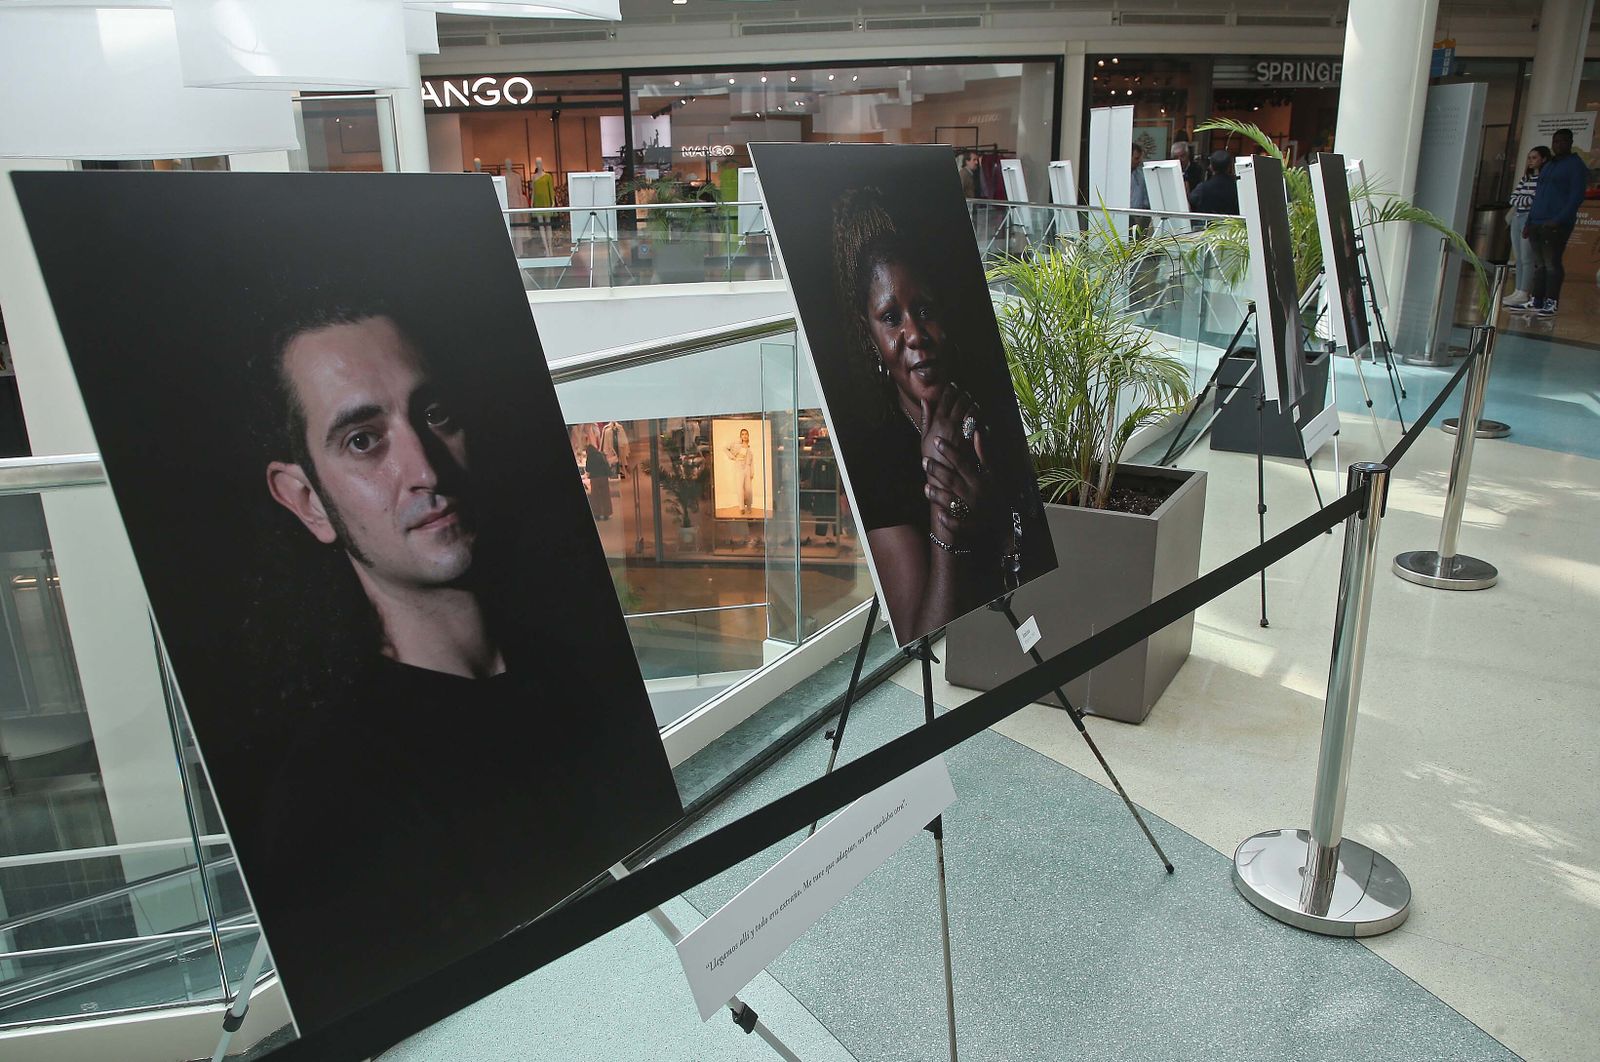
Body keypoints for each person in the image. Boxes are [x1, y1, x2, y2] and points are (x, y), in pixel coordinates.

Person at [250, 301, 667, 1030]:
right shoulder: (328, 803)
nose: (424, 468)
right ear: (308, 501)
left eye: (435, 414)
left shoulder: (583, 673)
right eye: (363, 440)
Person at [832, 189, 1023, 642]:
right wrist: (947, 513)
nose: (915, 334)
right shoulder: (876, 463)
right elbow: (923, 633)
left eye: (923, 310)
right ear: (870, 335)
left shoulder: (995, 413)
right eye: (891, 317)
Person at [1516, 128, 1589, 317]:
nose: (1558, 145)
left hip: (1555, 224)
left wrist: (1558, 220)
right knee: (1539, 264)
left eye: (1563, 141)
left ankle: (1551, 301)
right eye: (1555, 141)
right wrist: (1529, 222)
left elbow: (1576, 197)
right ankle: (1536, 299)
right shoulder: (1548, 165)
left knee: (1552, 263)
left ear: (1570, 142)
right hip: (1536, 222)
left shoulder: (1575, 165)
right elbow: (1538, 195)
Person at [1502, 146, 1551, 308]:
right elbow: (1514, 199)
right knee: (1519, 257)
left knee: (1527, 257)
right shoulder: (1526, 178)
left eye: (1534, 157)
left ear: (1543, 159)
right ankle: (1518, 290)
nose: (1530, 161)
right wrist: (1525, 199)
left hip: (1530, 219)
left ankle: (1524, 292)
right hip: (1517, 217)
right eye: (1529, 158)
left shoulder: (1544, 180)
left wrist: (1524, 200)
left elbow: (1534, 200)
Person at [1189, 151, 1240, 216]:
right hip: (1231, 224)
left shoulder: (1202, 188)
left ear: (1211, 167)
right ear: (1229, 167)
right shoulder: (1237, 187)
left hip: (1208, 224)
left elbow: (1191, 201)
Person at [724, 426, 756, 514]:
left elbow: (752, 461)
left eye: (746, 434)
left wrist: (752, 471)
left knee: (748, 489)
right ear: (740, 436)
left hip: (747, 468)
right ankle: (741, 507)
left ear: (748, 436)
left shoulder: (749, 448)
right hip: (739, 467)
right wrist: (732, 457)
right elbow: (725, 448)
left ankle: (749, 507)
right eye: (743, 434)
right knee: (740, 488)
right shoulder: (737, 445)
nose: (744, 436)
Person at [530, 156, 556, 255]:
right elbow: (533, 191)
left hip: (546, 202)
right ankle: (546, 248)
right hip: (538, 202)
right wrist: (532, 202)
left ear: (542, 163)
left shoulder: (548, 176)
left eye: (540, 162)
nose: (538, 164)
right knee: (541, 225)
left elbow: (551, 189)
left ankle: (550, 248)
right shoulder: (534, 177)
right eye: (537, 163)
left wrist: (552, 201)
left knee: (548, 225)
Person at [585, 443, 613, 520]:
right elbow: (606, 465)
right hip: (604, 477)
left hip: (595, 479)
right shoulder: (601, 455)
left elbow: (588, 469)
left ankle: (597, 514)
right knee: (605, 495)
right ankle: (606, 514)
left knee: (596, 496)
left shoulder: (590, 457)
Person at [1130, 143, 1151, 211]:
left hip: (1138, 214)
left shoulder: (1141, 176)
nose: (1139, 161)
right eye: (1136, 158)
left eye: (1140, 158)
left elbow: (1145, 197)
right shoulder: (1119, 176)